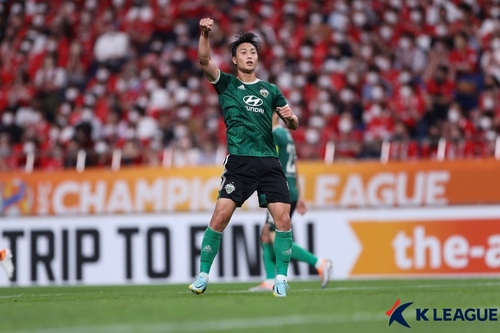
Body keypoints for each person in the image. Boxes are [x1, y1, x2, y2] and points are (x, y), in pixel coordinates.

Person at [189, 18, 299, 297]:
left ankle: (281, 280)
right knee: (219, 217)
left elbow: (293, 122)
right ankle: (202, 276)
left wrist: (292, 119)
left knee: (283, 219)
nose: (250, 56)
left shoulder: (271, 91)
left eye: (253, 52)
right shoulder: (226, 84)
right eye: (244, 53)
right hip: (240, 162)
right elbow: (204, 59)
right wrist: (204, 33)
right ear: (235, 60)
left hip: (269, 162)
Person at [250, 112, 332, 292]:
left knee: (274, 236)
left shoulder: (273, 134)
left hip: (280, 191)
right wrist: (299, 194)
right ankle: (270, 280)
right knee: (266, 234)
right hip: (289, 189)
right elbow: (293, 165)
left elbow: (269, 164)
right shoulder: (284, 134)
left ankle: (319, 263)